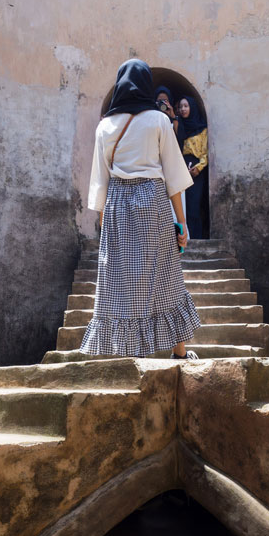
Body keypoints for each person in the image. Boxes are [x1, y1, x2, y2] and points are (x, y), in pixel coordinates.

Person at [82, 60, 201, 360]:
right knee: (164, 274)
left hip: (118, 204)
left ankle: (133, 354)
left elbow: (100, 180)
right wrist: (182, 224)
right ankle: (180, 352)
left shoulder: (105, 126)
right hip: (153, 201)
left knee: (122, 280)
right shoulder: (159, 121)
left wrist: (103, 225)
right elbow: (173, 176)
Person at [177, 96, 209, 239]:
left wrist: (199, 168)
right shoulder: (179, 127)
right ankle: (184, 238)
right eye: (181, 106)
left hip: (196, 170)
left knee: (194, 206)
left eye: (186, 106)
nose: (183, 109)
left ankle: (196, 239)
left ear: (192, 108)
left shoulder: (201, 129)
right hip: (180, 168)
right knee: (182, 207)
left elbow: (205, 152)